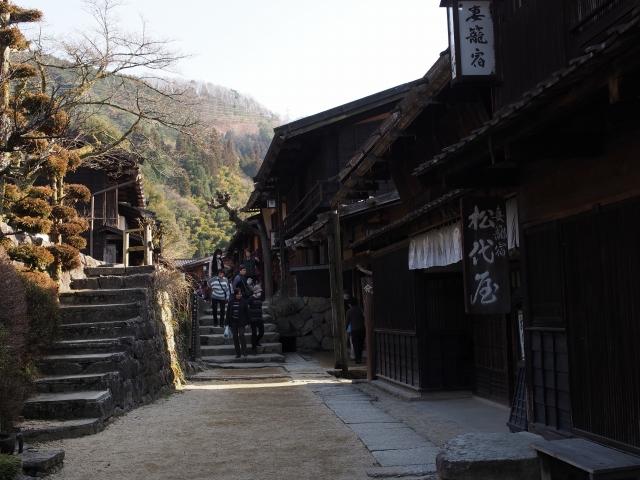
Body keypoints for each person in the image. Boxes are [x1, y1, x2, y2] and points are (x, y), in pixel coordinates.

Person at [225, 288, 250, 358]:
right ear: (235, 294)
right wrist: (227, 322)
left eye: (240, 294)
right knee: (235, 337)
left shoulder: (244, 302)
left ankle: (244, 352)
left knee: (242, 335)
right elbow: (228, 312)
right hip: (233, 322)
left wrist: (248, 322)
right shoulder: (231, 302)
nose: (239, 295)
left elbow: (247, 312)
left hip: (242, 322)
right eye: (238, 294)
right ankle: (238, 353)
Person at [248, 282, 264, 354]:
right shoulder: (250, 299)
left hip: (259, 317)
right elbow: (247, 308)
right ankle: (253, 348)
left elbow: (260, 306)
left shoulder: (260, 298)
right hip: (253, 318)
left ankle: (257, 341)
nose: (260, 293)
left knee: (261, 332)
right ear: (256, 292)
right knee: (254, 333)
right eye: (259, 291)